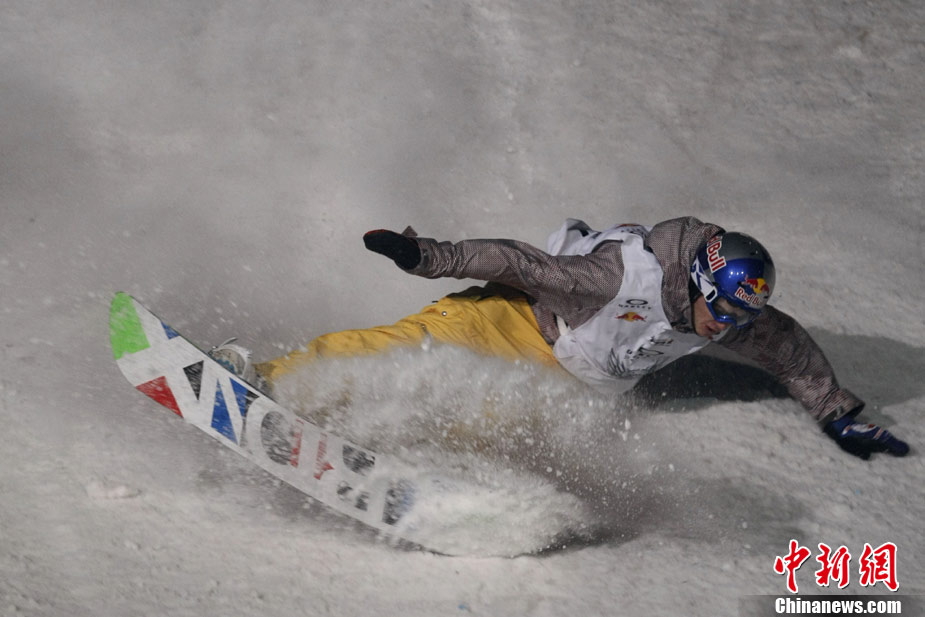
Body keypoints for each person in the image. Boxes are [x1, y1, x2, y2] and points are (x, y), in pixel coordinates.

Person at [213, 217, 908, 461]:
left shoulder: (733, 314)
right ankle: (262, 379)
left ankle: (360, 444)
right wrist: (428, 255)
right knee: (404, 352)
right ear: (697, 282)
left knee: (477, 425)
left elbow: (787, 350)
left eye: (739, 317)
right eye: (721, 310)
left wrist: (836, 413)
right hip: (511, 321)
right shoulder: (618, 278)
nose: (726, 327)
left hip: (569, 383)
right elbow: (520, 264)